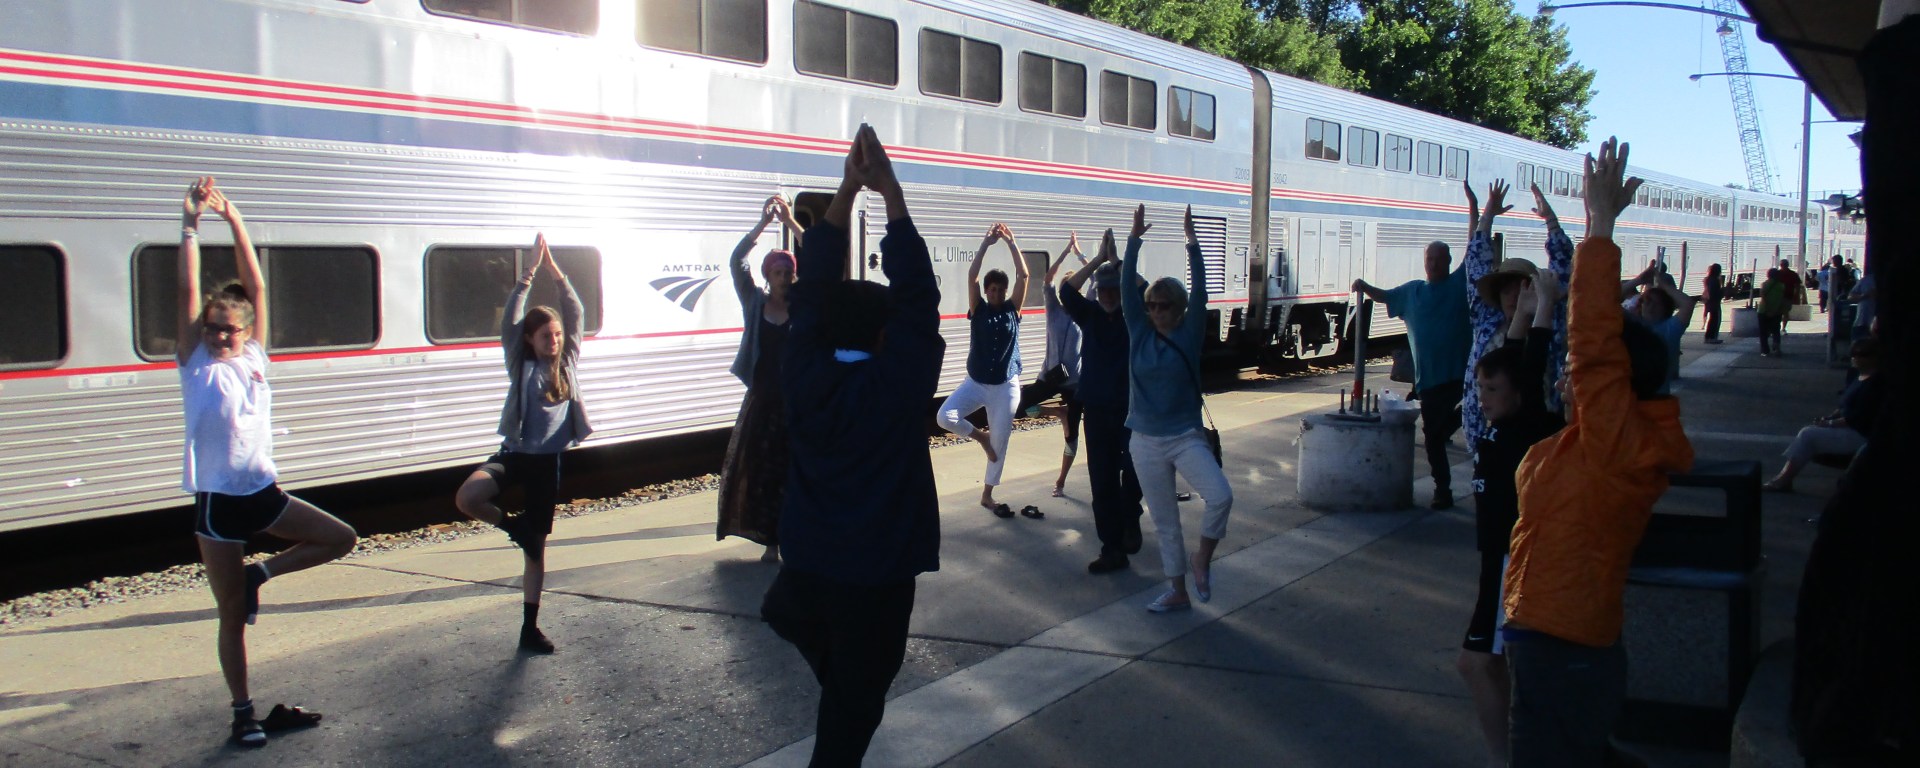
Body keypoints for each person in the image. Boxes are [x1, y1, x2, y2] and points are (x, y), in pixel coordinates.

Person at [1502, 138, 1694, 767]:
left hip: (1566, 644)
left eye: (1584, 379)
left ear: (1619, 384)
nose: (1569, 379)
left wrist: (1601, 227)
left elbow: (1591, 345)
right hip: (1548, 635)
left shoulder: (1618, 444)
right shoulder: (1589, 440)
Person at [759, 124, 944, 768]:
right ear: (885, 336)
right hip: (878, 573)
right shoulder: (899, 383)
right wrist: (888, 193)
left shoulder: (803, 371)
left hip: (810, 563)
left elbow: (810, 295)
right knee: (854, 711)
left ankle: (842, 679)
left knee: (789, 615)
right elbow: (921, 297)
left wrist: (849, 189)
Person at [175, 177, 357, 747]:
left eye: (231, 328)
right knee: (230, 616)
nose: (222, 335)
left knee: (341, 537)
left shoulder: (255, 355)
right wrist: (189, 226)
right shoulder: (194, 363)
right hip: (218, 505)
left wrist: (234, 219)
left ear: (249, 332)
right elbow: (185, 292)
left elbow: (254, 284)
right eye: (214, 328)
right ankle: (243, 713)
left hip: (262, 492)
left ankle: (262, 574)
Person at [452, 233, 593, 655]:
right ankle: (514, 528)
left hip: (546, 466)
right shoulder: (520, 362)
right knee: (468, 497)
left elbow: (576, 311)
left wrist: (558, 273)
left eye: (556, 334)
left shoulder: (567, 361)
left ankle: (530, 628)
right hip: (514, 456)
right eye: (545, 335)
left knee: (537, 553)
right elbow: (511, 319)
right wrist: (529, 274)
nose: (553, 339)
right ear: (530, 340)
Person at [1460, 267, 1566, 768]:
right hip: (1493, 559)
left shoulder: (1529, 425)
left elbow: (1531, 364)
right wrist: (1521, 315)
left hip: (1511, 560)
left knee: (1479, 663)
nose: (1484, 399)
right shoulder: (1503, 420)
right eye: (1480, 390)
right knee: (1486, 665)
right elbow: (1515, 362)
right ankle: (1511, 755)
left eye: (1492, 391)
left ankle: (1508, 759)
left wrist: (1543, 309)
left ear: (1518, 393)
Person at [1123, 204, 1234, 613]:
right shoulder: (1138, 332)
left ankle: (1202, 557)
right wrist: (1133, 240)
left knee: (1220, 496)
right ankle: (1177, 591)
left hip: (1185, 435)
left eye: (1164, 305)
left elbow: (1202, 287)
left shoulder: (1189, 333)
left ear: (1180, 308)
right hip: (1145, 440)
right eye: (1152, 305)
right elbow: (1124, 291)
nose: (1155, 312)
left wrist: (1192, 242)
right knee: (1165, 522)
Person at [1353, 227, 1470, 510]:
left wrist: (1478, 211)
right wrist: (1364, 286)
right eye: (1429, 259)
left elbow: (1475, 247)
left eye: (1439, 259)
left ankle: (1444, 484)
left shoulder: (1458, 285)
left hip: (1461, 376)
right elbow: (1386, 296)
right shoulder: (1413, 292)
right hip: (1429, 381)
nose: (1433, 265)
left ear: (1450, 261)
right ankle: (1443, 486)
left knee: (1449, 424)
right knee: (1433, 436)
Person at [717, 196, 802, 563]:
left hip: (796, 402)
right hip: (763, 401)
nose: (783, 277)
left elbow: (820, 256)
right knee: (762, 472)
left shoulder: (803, 305)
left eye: (788, 272)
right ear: (768, 276)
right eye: (778, 272)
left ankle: (795, 538)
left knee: (794, 471)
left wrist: (794, 222)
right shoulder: (754, 302)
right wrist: (763, 224)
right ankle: (771, 541)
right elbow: (737, 262)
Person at [1059, 229, 1145, 573]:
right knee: (1102, 479)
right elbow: (1066, 290)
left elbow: (1147, 289)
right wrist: (1096, 261)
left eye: (1114, 289)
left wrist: (1116, 262)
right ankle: (1112, 548)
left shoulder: (1135, 318)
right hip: (1096, 410)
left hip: (1131, 410)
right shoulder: (1090, 314)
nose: (1108, 295)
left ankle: (1132, 512)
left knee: (1135, 471)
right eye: (1103, 289)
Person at [936, 222, 1031, 518]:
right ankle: (981, 437)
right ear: (986, 291)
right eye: (992, 289)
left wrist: (1012, 243)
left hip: (1005, 384)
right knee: (945, 416)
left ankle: (987, 495)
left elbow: (1024, 275)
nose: (997, 293)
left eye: (1000, 289)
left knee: (1002, 438)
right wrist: (986, 243)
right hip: (976, 382)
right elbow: (972, 275)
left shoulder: (1012, 310)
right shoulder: (978, 309)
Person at [1015, 233, 1089, 498]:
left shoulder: (1086, 312)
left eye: (1074, 290)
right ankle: (1057, 413)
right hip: (1049, 376)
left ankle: (1061, 481)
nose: (1069, 294)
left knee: (1072, 438)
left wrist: (1081, 256)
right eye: (1065, 289)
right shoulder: (1053, 308)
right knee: (1020, 407)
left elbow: (1096, 279)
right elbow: (1047, 280)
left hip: (1075, 382)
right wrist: (1065, 253)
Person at [1764, 337, 1882, 493]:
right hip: (1849, 428)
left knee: (1808, 435)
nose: (1855, 358)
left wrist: (1830, 424)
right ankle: (1784, 477)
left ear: (1874, 358)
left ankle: (1784, 478)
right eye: (1853, 354)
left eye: (1861, 355)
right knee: (1809, 433)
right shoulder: (1858, 377)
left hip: (1860, 434)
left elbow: (1857, 417)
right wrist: (1829, 418)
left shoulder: (1876, 384)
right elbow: (1844, 406)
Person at [1622, 268, 1699, 392]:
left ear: (1665, 308)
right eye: (1646, 301)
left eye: (1655, 302)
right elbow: (1606, 300)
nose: (1649, 305)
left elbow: (1688, 304)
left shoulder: (1670, 328)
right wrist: (1639, 280)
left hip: (1655, 399)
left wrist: (1664, 285)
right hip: (1631, 398)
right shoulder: (1633, 322)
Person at [1758, 268, 1790, 357]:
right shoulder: (1781, 286)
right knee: (1776, 330)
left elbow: (1763, 298)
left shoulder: (1764, 284)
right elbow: (1782, 300)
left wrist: (1767, 310)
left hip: (1763, 311)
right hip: (1776, 311)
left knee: (1763, 332)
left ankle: (1765, 351)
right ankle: (1776, 348)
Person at [1702, 263, 1726, 344]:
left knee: (1712, 319)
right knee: (1715, 320)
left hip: (1708, 302)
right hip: (1714, 302)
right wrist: (1722, 291)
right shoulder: (1715, 280)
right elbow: (1715, 293)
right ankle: (1712, 337)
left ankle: (1708, 337)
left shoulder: (1708, 279)